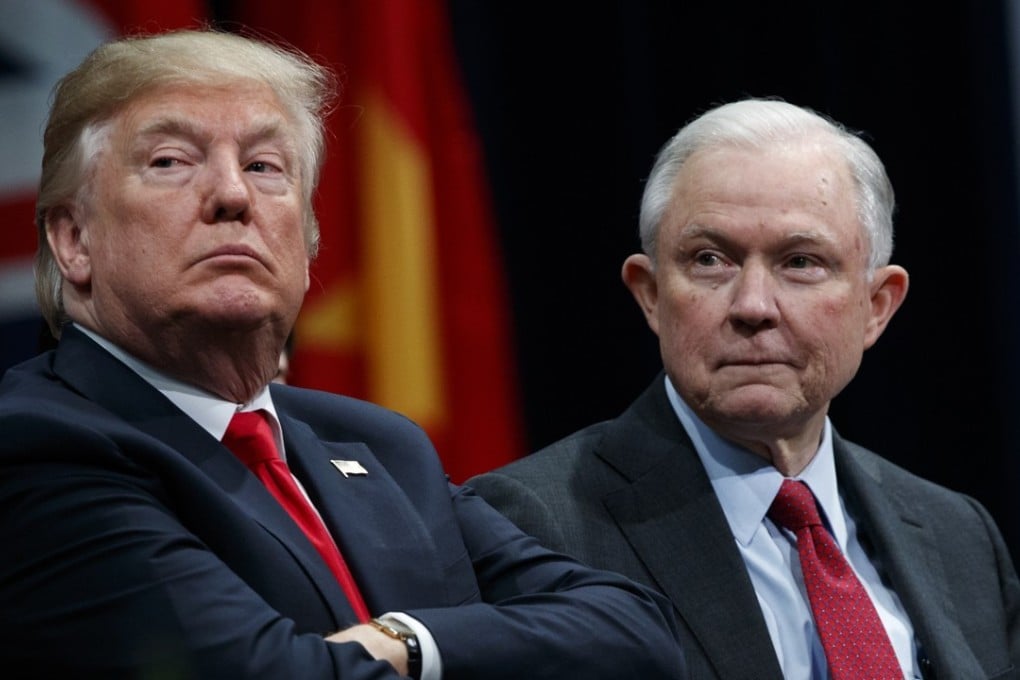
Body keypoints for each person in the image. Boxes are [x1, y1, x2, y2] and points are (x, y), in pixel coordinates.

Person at [0, 28, 686, 679]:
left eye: (265, 166)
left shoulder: (377, 445)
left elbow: (637, 633)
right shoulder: (38, 444)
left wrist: (404, 641)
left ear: (308, 243)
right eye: (171, 162)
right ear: (73, 241)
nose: (234, 195)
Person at [468, 98, 1020, 679]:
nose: (754, 306)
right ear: (651, 294)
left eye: (801, 262)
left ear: (876, 307)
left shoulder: (959, 535)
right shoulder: (532, 525)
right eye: (711, 260)